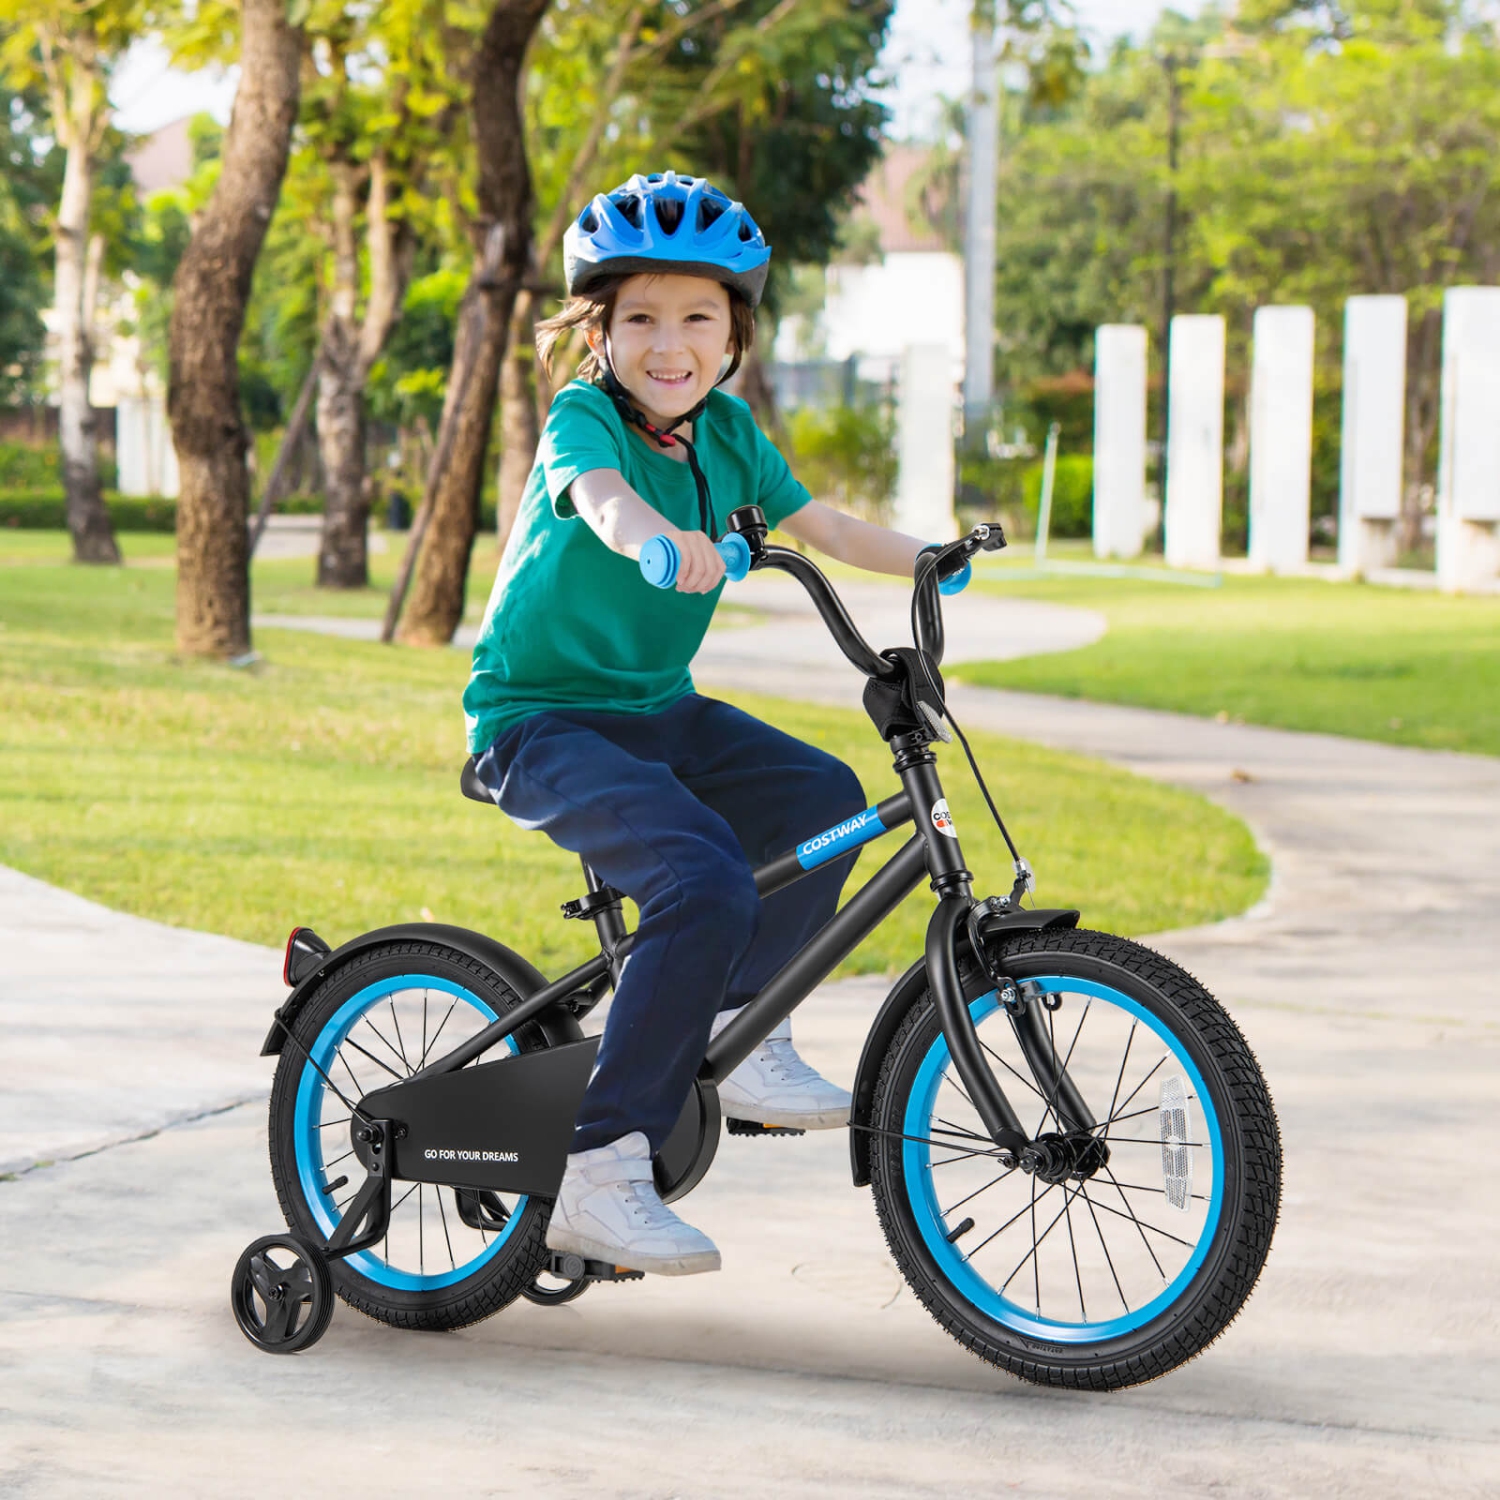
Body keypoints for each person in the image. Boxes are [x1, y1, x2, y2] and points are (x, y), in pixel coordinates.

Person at [465, 171, 935, 1276]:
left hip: (654, 713)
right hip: (540, 722)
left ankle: (747, 1026)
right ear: (599, 330)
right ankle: (596, 1163)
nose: (667, 343)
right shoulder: (584, 420)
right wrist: (650, 541)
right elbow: (598, 498)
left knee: (826, 800)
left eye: (696, 319)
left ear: (733, 336)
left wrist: (933, 558)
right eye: (639, 319)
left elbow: (818, 523)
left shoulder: (728, 437)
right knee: (702, 877)